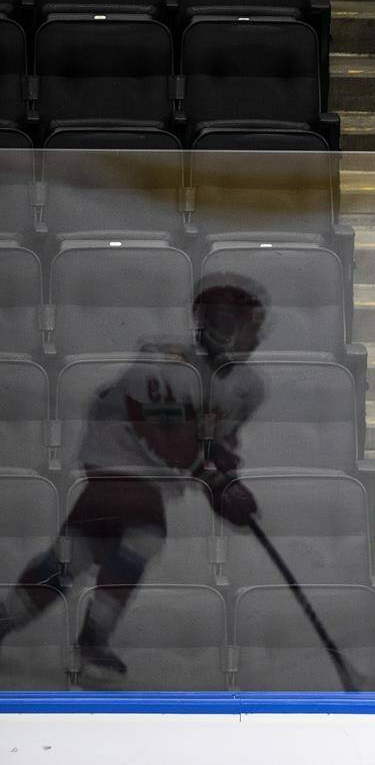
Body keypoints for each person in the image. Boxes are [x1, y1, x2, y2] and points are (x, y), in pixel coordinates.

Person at [0, 273, 267, 683]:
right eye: (232, 323)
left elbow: (210, 446)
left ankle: (21, 625)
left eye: (249, 324)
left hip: (148, 473)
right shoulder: (164, 363)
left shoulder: (244, 388)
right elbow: (161, 435)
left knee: (69, 560)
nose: (246, 335)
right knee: (142, 529)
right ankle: (91, 645)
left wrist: (227, 481)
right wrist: (214, 483)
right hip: (116, 456)